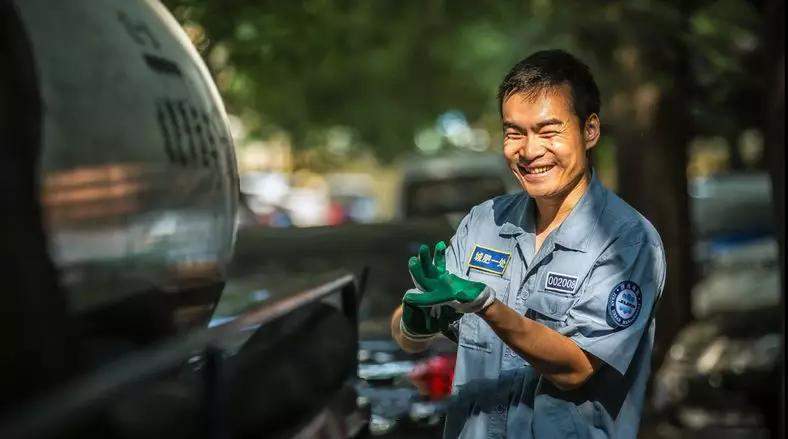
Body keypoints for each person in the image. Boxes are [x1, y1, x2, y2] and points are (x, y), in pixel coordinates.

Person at [390, 49, 666, 438]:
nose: (530, 150)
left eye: (548, 132)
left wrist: (486, 305)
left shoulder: (627, 240)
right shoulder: (483, 223)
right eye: (514, 133)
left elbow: (575, 369)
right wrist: (414, 326)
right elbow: (404, 330)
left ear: (590, 131)